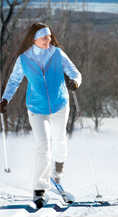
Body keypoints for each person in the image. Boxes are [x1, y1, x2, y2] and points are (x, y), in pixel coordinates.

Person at [0, 23, 82, 208]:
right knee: (43, 146)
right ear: (34, 39)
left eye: (50, 37)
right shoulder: (24, 59)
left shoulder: (57, 54)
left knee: (60, 141)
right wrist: (5, 99)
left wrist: (75, 82)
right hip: (37, 108)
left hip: (60, 104)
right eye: (45, 37)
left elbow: (75, 73)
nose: (49, 40)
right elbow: (14, 81)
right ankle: (40, 189)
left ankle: (58, 173)